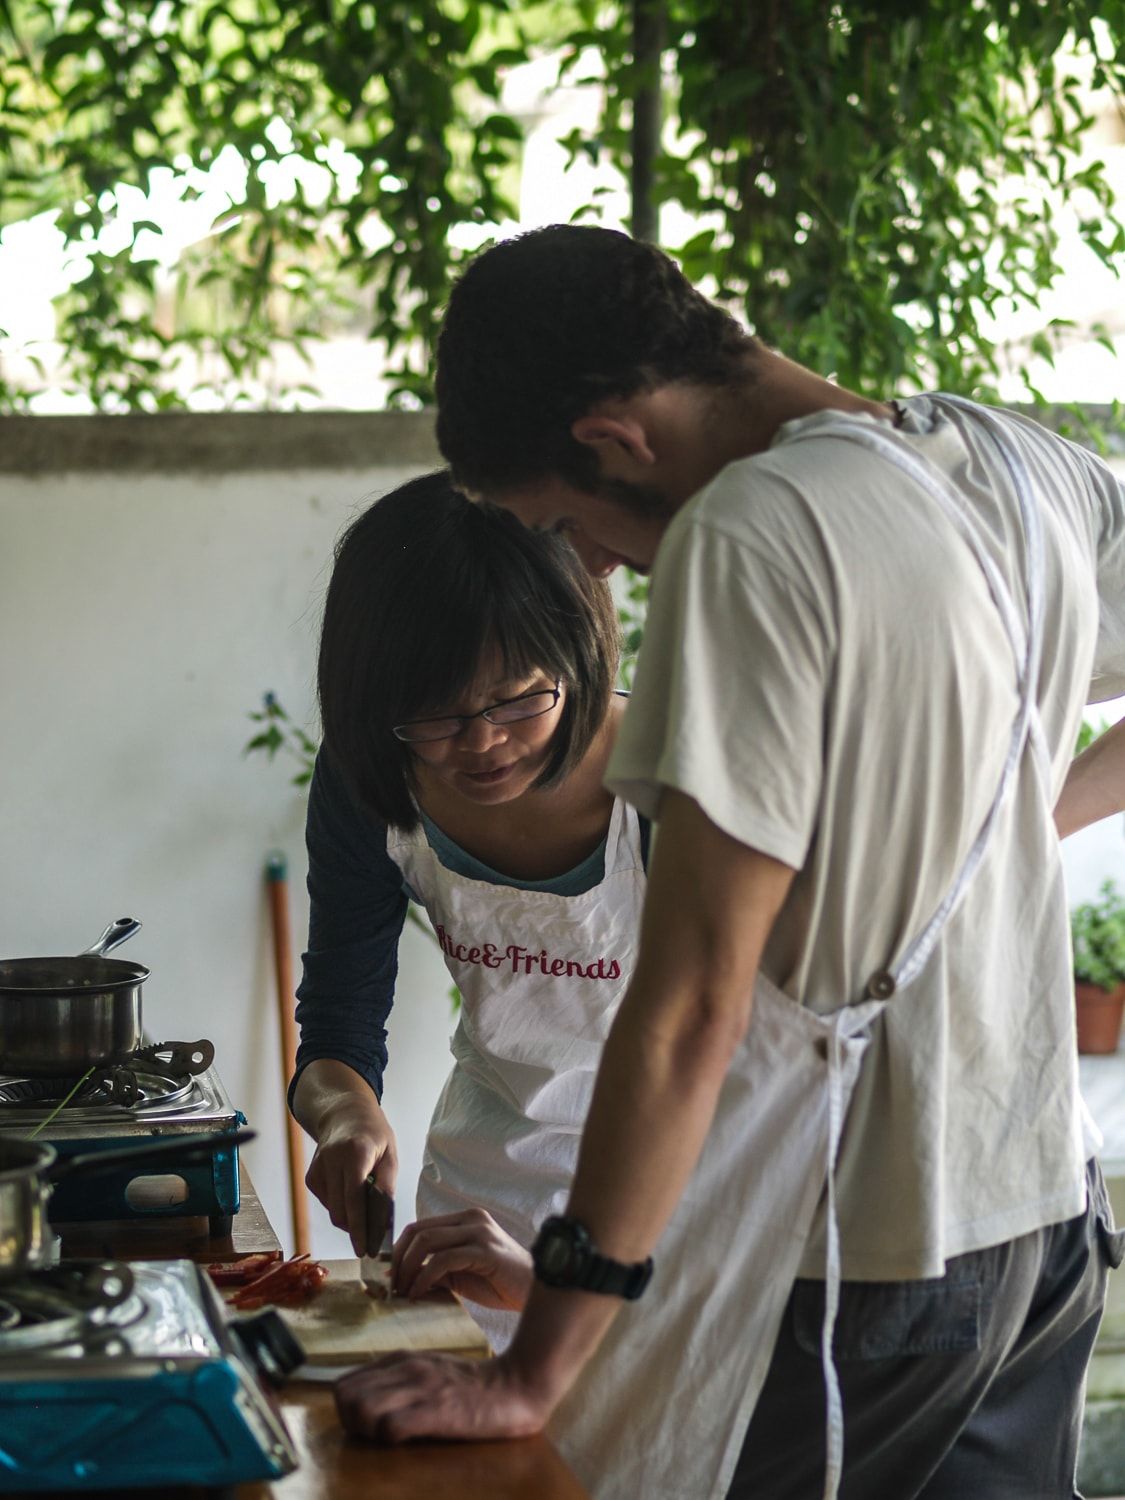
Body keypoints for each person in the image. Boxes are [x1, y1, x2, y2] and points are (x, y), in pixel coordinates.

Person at [334, 224, 1125, 1500]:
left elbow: (690, 1006)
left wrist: (533, 1369)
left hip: (863, 1238)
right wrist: (1031, 821)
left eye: (565, 522)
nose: (590, 565)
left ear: (617, 439)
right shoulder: (1012, 468)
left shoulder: (750, 535)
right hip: (1041, 1221)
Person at [290, 468, 650, 1350]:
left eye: (518, 699)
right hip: (478, 1215)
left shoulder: (672, 780)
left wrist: (574, 1280)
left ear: (578, 650)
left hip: (678, 1211)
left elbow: (732, 1055)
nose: (482, 743)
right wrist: (348, 1117)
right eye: (435, 718)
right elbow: (336, 1024)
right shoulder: (370, 786)